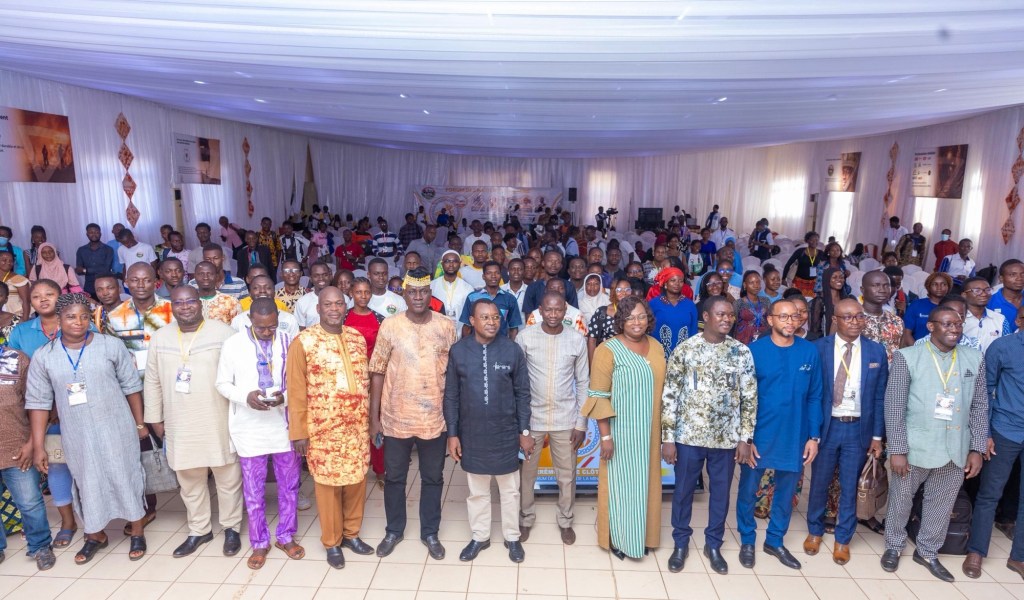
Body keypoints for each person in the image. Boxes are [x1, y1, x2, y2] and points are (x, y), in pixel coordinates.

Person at [26, 293, 149, 564]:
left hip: (116, 426)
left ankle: (137, 530)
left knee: (125, 473)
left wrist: (140, 424)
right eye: (71, 316)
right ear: (58, 319)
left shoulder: (110, 346)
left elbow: (132, 387)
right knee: (86, 480)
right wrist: (38, 446)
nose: (78, 322)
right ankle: (95, 535)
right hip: (77, 433)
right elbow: (38, 404)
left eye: (84, 316)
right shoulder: (44, 356)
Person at [881, 305, 988, 582]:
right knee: (901, 499)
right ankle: (893, 545)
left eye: (958, 324)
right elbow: (894, 406)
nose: (954, 329)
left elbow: (979, 406)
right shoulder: (907, 357)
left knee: (941, 504)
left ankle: (927, 551)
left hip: (955, 447)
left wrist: (976, 448)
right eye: (947, 324)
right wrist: (898, 450)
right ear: (931, 327)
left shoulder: (974, 358)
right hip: (914, 446)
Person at [144, 285, 243, 558]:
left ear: (201, 304)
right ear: (171, 306)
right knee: (189, 480)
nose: (185, 306)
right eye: (179, 302)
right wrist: (155, 420)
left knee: (227, 477)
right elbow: (151, 381)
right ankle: (199, 529)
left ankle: (231, 528)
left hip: (219, 418)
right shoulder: (160, 337)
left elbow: (240, 375)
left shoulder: (224, 333)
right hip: (178, 420)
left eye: (190, 301)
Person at [661, 296, 757, 574]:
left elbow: (750, 399)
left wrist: (745, 438)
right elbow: (670, 396)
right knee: (683, 492)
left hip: (726, 440)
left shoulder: (741, 352)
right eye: (720, 314)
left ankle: (713, 543)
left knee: (720, 494)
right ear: (706, 316)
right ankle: (680, 542)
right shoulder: (685, 350)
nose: (726, 319)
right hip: (688, 437)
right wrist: (668, 438)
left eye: (730, 315)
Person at [369, 268, 457, 560]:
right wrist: (375, 418)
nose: (418, 297)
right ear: (404, 293)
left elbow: (455, 375)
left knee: (433, 478)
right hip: (396, 417)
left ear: (430, 294)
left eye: (423, 291)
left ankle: (430, 532)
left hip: (435, 418)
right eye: (412, 292)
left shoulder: (446, 326)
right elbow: (378, 371)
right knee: (394, 478)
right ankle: (394, 530)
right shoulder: (391, 325)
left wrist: (456, 422)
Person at [287, 286, 374, 569]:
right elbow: (296, 390)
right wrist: (299, 432)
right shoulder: (304, 341)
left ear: (345, 307)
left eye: (339, 304)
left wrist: (372, 421)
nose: (334, 309)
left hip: (356, 428)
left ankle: (351, 534)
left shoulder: (357, 338)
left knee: (356, 482)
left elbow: (368, 384)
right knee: (327, 486)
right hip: (323, 429)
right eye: (328, 304)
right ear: (318, 308)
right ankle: (332, 542)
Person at [215, 298, 304, 569]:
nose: (268, 332)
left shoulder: (290, 340)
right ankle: (259, 542)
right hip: (249, 429)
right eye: (262, 327)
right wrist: (245, 397)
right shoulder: (233, 345)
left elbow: (302, 382)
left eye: (272, 327)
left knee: (289, 487)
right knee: (253, 492)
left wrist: (284, 398)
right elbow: (222, 383)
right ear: (250, 320)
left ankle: (286, 536)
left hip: (283, 427)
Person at [736, 299, 823, 571]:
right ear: (770, 320)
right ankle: (748, 539)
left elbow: (815, 396)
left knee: (786, 493)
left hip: (795, 435)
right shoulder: (753, 351)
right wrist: (746, 439)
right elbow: (741, 398)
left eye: (794, 317)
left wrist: (813, 436)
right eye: (782, 317)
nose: (789, 321)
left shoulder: (809, 352)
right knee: (748, 490)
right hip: (759, 435)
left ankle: (774, 540)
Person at [445, 299, 533, 563]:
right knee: (478, 491)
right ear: (472, 321)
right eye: (485, 317)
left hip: (506, 432)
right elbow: (451, 395)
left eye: (495, 317)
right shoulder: (458, 351)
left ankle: (512, 537)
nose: (492, 322)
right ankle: (480, 536)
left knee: (510, 490)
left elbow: (523, 393)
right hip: (471, 433)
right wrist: (452, 433)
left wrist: (524, 431)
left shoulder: (512, 350)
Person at [803, 299, 888, 565]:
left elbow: (879, 398)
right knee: (819, 482)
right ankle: (815, 531)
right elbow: (812, 394)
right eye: (848, 317)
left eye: (859, 317)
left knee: (850, 485)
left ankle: (843, 539)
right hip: (828, 427)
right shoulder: (818, 349)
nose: (855, 322)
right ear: (835, 320)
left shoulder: (876, 352)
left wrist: (877, 436)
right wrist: (811, 433)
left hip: (858, 429)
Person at [582, 295, 666, 560]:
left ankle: (643, 535)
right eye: (629, 318)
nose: (636, 322)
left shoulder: (656, 346)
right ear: (620, 321)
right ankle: (619, 538)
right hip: (620, 432)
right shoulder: (608, 350)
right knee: (621, 487)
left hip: (650, 432)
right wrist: (605, 436)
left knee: (647, 485)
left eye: (641, 316)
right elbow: (598, 395)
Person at [9, 280, 78, 546]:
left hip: (78, 407)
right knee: (56, 464)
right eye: (36, 296)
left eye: (49, 294)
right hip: (40, 411)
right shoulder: (22, 332)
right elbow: (16, 375)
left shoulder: (78, 321)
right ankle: (68, 522)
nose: (43, 299)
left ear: (61, 296)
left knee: (88, 464)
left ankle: (97, 520)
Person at [516, 293, 588, 545]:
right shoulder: (525, 337)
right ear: (540, 310)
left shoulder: (576, 339)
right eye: (549, 310)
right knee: (527, 473)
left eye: (559, 310)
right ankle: (525, 518)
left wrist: (581, 422)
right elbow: (517, 382)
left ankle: (566, 520)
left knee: (567, 474)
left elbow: (584, 383)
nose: (554, 315)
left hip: (565, 418)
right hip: (532, 417)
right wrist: (520, 425)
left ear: (565, 310)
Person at [964, 306, 1024, 580]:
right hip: (1004, 430)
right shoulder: (1003, 347)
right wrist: (984, 433)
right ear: (1020, 320)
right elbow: (985, 391)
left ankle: (1018, 557)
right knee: (990, 493)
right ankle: (976, 551)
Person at [0, 340, 55, 570]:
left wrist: (33, 443)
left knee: (30, 502)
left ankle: (40, 546)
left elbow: (38, 403)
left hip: (17, 447)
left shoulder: (16, 359)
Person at [344, 277, 386, 483]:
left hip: (373, 379)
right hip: (347, 381)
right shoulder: (342, 318)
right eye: (358, 292)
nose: (363, 296)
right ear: (351, 292)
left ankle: (380, 470)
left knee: (375, 422)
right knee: (352, 425)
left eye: (366, 292)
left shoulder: (379, 319)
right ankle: (355, 467)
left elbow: (385, 352)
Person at [458, 261, 522, 339]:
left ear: (501, 276)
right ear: (483, 276)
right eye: (489, 273)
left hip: (501, 347)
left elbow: (513, 328)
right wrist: (467, 348)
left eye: (497, 273)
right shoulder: (472, 297)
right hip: (477, 346)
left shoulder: (509, 298)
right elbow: (467, 327)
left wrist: (511, 348)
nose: (493, 276)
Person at [647, 267, 698, 358]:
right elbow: (647, 330)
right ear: (665, 283)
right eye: (673, 280)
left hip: (684, 356)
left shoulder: (690, 305)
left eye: (680, 281)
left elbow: (694, 332)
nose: (677, 284)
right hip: (658, 355)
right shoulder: (653, 304)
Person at [232, 276, 300, 338]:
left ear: (274, 292)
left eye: (268, 288)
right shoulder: (238, 321)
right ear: (250, 293)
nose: (262, 291)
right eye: (256, 288)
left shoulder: (290, 319)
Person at [860, 270, 905, 362]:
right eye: (876, 285)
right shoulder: (849, 319)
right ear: (862, 290)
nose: (882, 290)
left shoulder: (897, 321)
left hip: (890, 375)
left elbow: (901, 355)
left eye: (886, 285)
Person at [522, 249, 579, 316]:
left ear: (561, 266)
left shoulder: (569, 286)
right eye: (550, 261)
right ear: (543, 263)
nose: (553, 264)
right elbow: (529, 314)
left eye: (557, 261)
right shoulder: (533, 287)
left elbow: (574, 313)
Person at [902, 272, 953, 346]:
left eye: (943, 284)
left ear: (948, 287)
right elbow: (906, 333)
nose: (939, 287)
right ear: (928, 287)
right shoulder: (917, 304)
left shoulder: (951, 307)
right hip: (916, 349)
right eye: (935, 284)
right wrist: (919, 352)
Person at [962, 277, 1011, 352]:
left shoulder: (1000, 319)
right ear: (964, 295)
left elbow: (1008, 347)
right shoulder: (957, 318)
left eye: (988, 290)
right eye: (977, 291)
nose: (984, 294)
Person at [75, 223, 114, 297]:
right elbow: (79, 271)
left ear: (100, 234)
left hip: (106, 287)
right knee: (91, 308)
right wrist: (81, 270)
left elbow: (106, 269)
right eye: (91, 232)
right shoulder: (81, 250)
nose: (94, 234)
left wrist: (85, 270)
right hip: (89, 288)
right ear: (87, 234)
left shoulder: (108, 249)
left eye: (96, 232)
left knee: (109, 308)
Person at [732, 271, 771, 345]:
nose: (756, 285)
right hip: (743, 341)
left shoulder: (766, 301)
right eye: (751, 283)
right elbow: (734, 324)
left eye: (758, 282)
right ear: (745, 285)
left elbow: (770, 321)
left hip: (764, 338)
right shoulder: (738, 303)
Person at [294, 262, 334, 329]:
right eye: (316, 276)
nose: (321, 278)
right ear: (311, 279)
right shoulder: (302, 302)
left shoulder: (343, 298)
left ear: (330, 276)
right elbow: (301, 329)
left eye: (325, 275)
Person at [783, 232, 822, 298]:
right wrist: (783, 278)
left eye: (816, 240)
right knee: (797, 300)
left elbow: (828, 264)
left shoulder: (820, 253)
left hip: (813, 283)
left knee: (811, 303)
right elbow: (788, 264)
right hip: (799, 282)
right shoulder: (800, 251)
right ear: (807, 240)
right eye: (812, 240)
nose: (815, 242)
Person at [989, 259, 1024, 332]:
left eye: (1023, 274)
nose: (1020, 278)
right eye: (1013, 275)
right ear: (1001, 278)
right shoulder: (989, 301)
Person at [0, 251, 30, 321]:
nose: (8, 262)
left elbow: (26, 301)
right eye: (4, 260)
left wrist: (24, 322)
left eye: (11, 261)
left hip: (15, 318)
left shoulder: (19, 279)